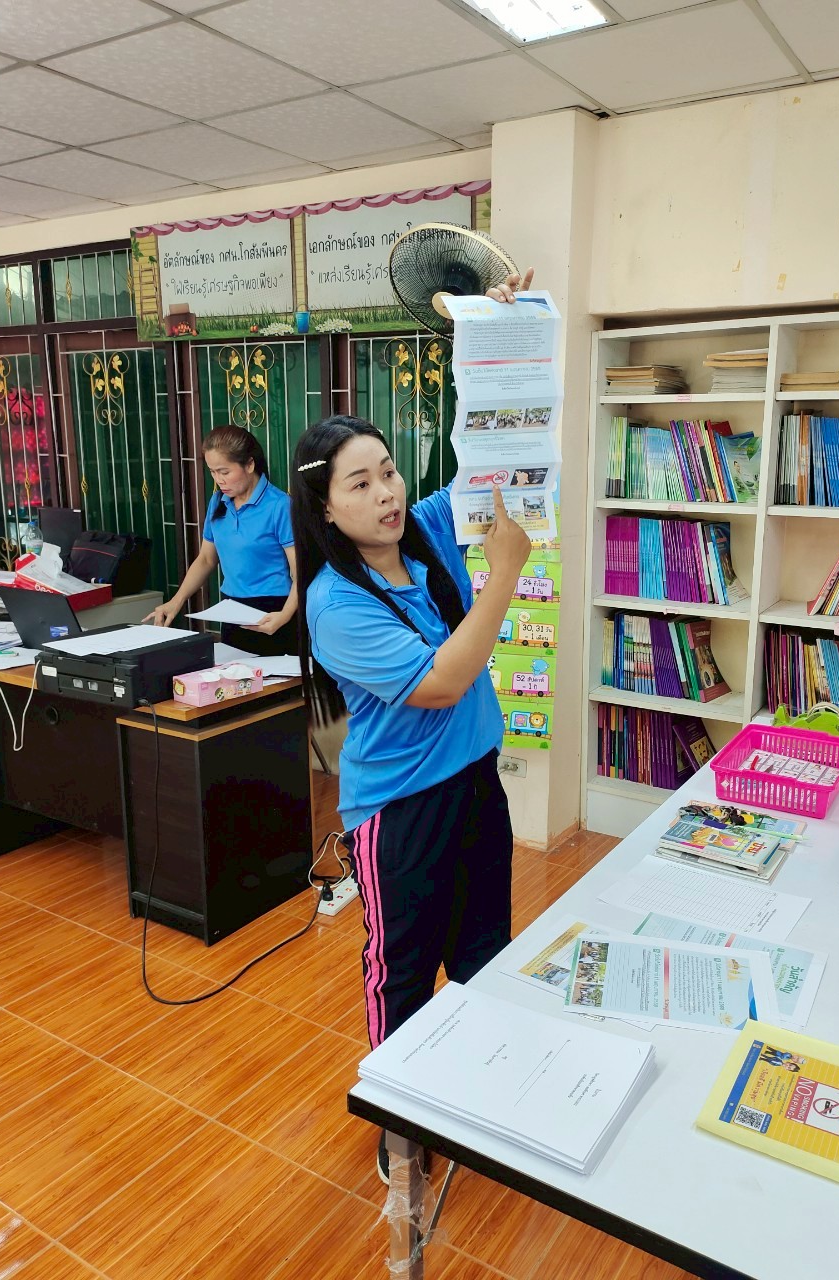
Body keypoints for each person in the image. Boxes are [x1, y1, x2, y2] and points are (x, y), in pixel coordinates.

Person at [291, 268, 534, 1182]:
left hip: (474, 785)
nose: (388, 492)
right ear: (326, 508)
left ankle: (468, 1093)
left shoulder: (429, 530)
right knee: (403, 970)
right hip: (400, 814)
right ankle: (402, 1124)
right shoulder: (336, 605)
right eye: (361, 483)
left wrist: (498, 331)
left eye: (389, 470)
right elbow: (441, 682)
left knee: (484, 953)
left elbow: (490, 454)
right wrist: (504, 576)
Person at [144, 425, 297, 657]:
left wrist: (285, 616)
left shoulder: (280, 506)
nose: (218, 480)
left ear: (249, 465)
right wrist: (176, 601)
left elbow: (301, 571)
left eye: (224, 472)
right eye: (212, 472)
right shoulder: (218, 502)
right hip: (231, 610)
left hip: (273, 611)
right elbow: (206, 559)